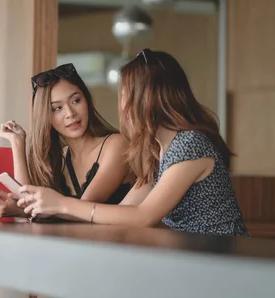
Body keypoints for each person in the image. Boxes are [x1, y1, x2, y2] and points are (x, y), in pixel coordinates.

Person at [15, 49, 249, 237]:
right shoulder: (159, 150)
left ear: (148, 99)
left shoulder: (191, 144)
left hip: (221, 259)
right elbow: (125, 211)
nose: (123, 105)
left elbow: (144, 216)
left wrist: (63, 204)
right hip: (194, 257)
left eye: (125, 95)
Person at [0, 63, 134, 218]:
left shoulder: (116, 144)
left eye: (76, 101)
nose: (70, 113)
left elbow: (84, 208)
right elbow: (27, 200)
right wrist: (17, 144)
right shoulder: (61, 158)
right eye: (57, 108)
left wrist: (23, 212)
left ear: (87, 100)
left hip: (117, 242)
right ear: (46, 116)